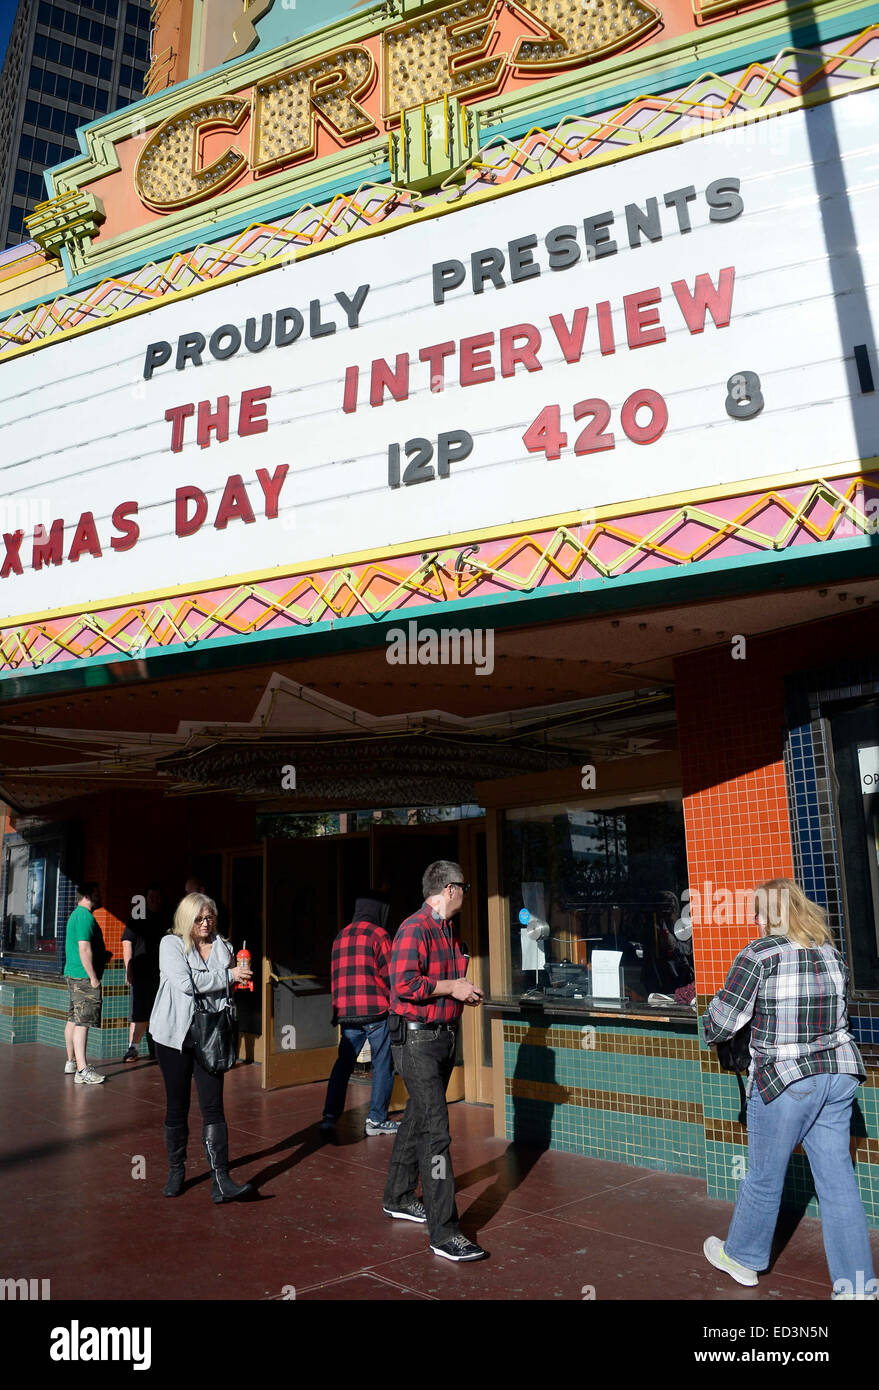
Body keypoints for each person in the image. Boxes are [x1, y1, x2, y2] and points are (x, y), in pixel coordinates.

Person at [702, 877, 876, 1299]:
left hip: (785, 1079)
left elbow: (723, 1022)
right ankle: (857, 1288)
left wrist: (706, 1017)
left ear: (770, 913)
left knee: (763, 1175)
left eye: (758, 912)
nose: (755, 921)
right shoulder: (831, 953)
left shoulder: (759, 955)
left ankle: (742, 1259)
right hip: (838, 1075)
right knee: (838, 1183)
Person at [382, 860, 488, 1262]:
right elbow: (404, 983)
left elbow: (441, 985)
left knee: (418, 1117)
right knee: (436, 1134)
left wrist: (460, 992)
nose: (466, 893)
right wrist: (453, 988)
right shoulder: (415, 928)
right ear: (449, 889)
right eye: (464, 886)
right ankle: (444, 1233)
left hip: (442, 1038)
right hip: (416, 1041)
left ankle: (398, 1195)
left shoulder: (447, 932)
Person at [149, 892, 254, 1202]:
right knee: (176, 1105)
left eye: (210, 918)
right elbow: (186, 983)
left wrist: (234, 976)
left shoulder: (225, 947)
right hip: (174, 1036)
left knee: (213, 1107)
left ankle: (221, 1180)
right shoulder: (170, 944)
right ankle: (176, 1170)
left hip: (212, 1035)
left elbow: (226, 986)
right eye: (199, 918)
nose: (206, 924)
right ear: (186, 919)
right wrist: (228, 976)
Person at [321, 891, 400, 1137]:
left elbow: (335, 977)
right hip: (376, 1012)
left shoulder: (339, 936)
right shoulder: (379, 935)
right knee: (382, 1064)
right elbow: (391, 977)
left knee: (343, 1065)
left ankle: (329, 1117)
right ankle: (376, 1119)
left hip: (347, 1015)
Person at [63, 882, 109, 1085]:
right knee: (83, 1023)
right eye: (97, 893)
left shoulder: (76, 915)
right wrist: (93, 977)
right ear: (89, 895)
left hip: (73, 974)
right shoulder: (84, 916)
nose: (100, 896)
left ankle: (72, 1062)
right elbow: (84, 948)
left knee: (74, 1018)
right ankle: (82, 1070)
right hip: (83, 976)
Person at [121, 884, 168, 1062]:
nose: (154, 900)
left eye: (157, 897)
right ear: (146, 899)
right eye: (151, 897)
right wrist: (128, 968)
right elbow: (127, 942)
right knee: (139, 1012)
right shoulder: (137, 916)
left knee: (161, 1012)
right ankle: (133, 1048)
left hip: (163, 973)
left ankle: (158, 1050)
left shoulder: (168, 918)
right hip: (141, 973)